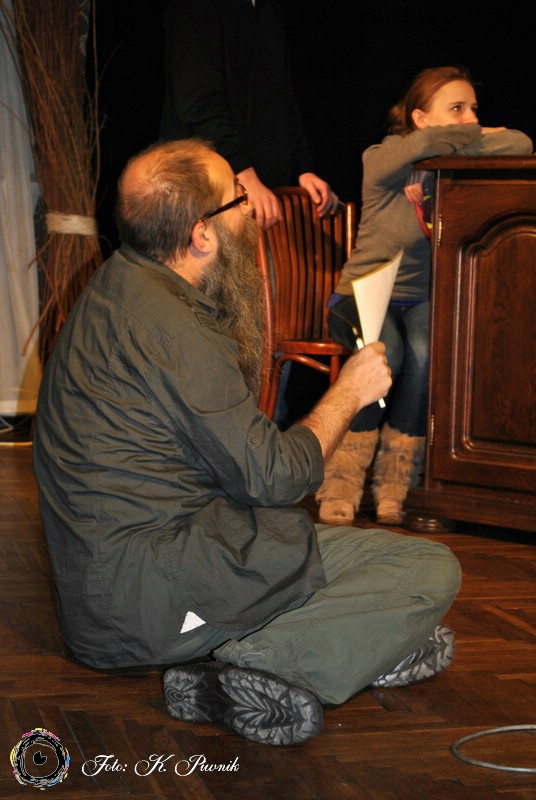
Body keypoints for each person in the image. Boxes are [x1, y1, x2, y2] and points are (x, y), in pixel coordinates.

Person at [33, 138, 462, 748]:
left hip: (115, 593)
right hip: (152, 607)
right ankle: (258, 666)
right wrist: (349, 393)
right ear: (202, 235)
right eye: (238, 198)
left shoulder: (121, 285)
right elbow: (276, 478)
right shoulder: (173, 328)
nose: (251, 211)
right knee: (427, 568)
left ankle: (354, 643)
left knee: (359, 556)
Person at [317, 65, 533, 528]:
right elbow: (415, 149)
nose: (470, 119)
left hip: (418, 300)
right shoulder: (383, 156)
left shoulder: (446, 165)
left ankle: (397, 484)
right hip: (359, 295)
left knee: (427, 352)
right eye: (456, 109)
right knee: (386, 353)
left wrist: (457, 138)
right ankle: (340, 481)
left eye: (474, 109)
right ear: (419, 117)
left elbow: (520, 143)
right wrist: (472, 136)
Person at [159, 0, 339, 230]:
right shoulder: (196, 7)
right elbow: (198, 103)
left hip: (258, 192)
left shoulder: (269, 9)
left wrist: (303, 170)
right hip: (204, 193)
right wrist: (245, 176)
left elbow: (282, 98)